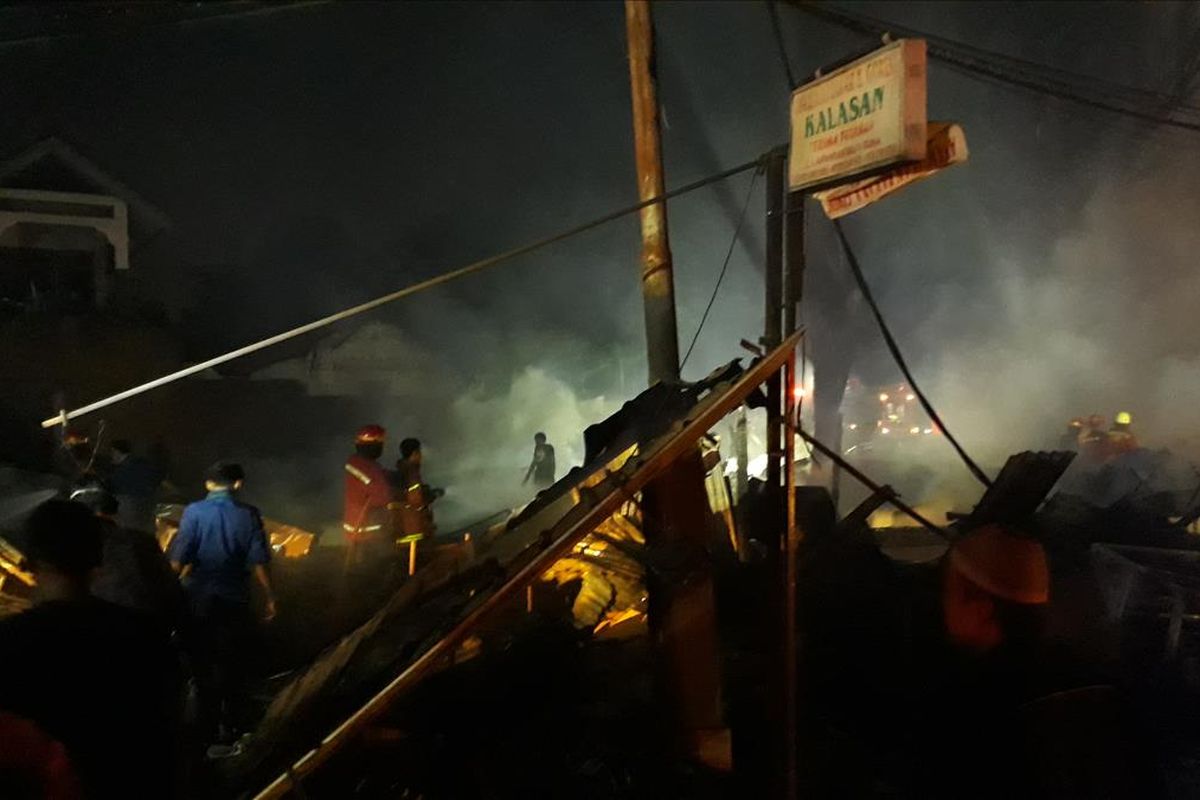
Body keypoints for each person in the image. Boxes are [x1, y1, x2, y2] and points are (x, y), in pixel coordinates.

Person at [0, 500, 182, 798]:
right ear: (97, 558)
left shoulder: (10, 644)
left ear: (31, 562)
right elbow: (169, 738)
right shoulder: (146, 636)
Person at [167, 462, 275, 753]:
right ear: (238, 484)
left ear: (207, 485)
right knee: (231, 663)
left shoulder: (193, 512)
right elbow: (258, 561)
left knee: (202, 666)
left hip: (198, 597)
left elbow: (180, 557)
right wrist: (269, 596)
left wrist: (166, 593)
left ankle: (204, 733)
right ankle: (229, 729)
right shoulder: (249, 514)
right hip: (234, 598)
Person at [69, 481, 184, 631]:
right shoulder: (141, 540)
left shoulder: (71, 543)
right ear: (114, 512)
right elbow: (170, 587)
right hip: (145, 628)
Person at [343, 424, 394, 570]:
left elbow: (381, 474)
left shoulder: (361, 463)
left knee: (365, 567)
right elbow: (382, 496)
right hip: (367, 531)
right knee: (373, 568)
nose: (382, 448)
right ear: (372, 445)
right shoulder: (365, 468)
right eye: (380, 444)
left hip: (360, 530)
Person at [393, 437, 442, 575]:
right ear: (415, 454)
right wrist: (431, 495)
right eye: (419, 452)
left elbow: (408, 493)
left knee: (408, 564)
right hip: (414, 529)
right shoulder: (412, 472)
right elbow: (416, 499)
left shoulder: (401, 470)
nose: (421, 456)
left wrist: (426, 490)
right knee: (421, 567)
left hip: (404, 528)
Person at [107, 439, 165, 533]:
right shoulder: (142, 464)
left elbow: (112, 488)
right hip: (147, 509)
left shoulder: (122, 471)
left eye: (112, 452)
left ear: (116, 451)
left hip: (129, 511)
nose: (111, 456)